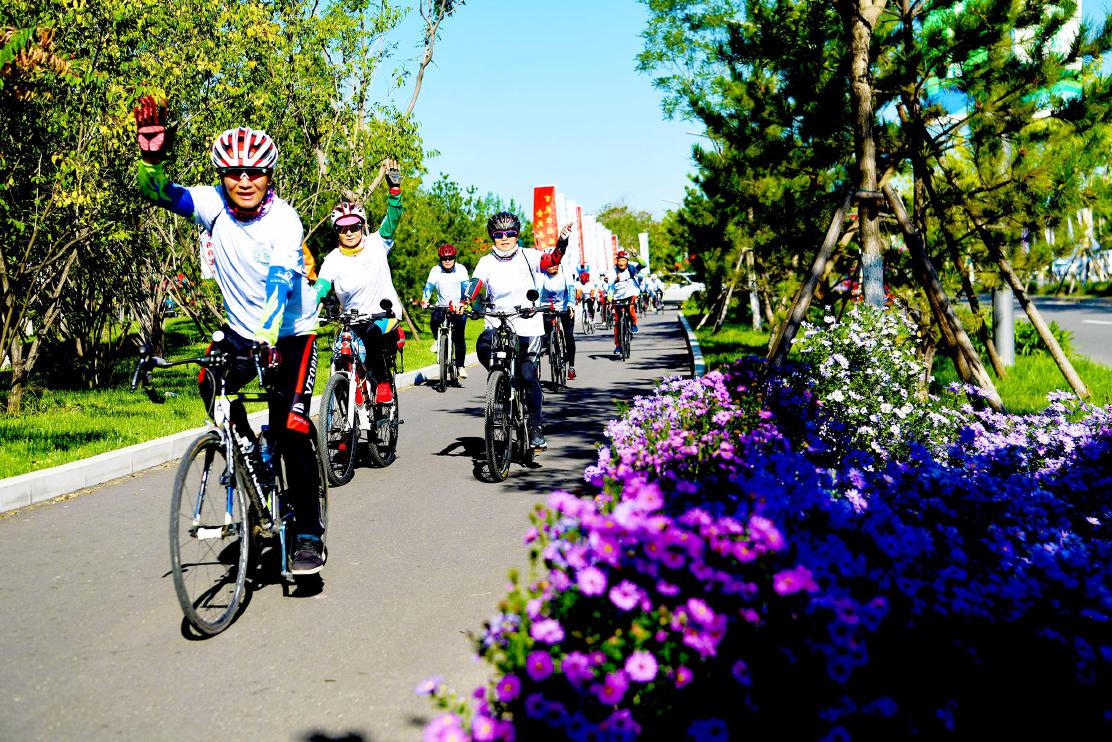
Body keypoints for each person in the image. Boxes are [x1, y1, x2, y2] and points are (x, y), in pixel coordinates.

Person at [133, 96, 326, 574]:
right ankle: (246, 453)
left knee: (294, 429)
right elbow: (159, 192)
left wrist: (266, 334)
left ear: (269, 176)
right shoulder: (212, 204)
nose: (244, 180)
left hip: (289, 332)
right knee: (206, 375)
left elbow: (281, 284)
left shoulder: (284, 221)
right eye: (234, 172)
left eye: (255, 172)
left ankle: (308, 535)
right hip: (243, 332)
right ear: (222, 174)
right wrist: (151, 153)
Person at [468, 213, 572, 451]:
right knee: (483, 346)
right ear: (492, 236)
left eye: (510, 234)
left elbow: (551, 260)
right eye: (498, 234)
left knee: (527, 376)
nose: (504, 239)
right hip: (497, 322)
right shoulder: (486, 261)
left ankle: (535, 427)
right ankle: (500, 386)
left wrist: (562, 243)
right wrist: (466, 299)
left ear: (517, 234)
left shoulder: (529, 256)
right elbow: (476, 283)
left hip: (527, 324)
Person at [313, 167, 405, 404]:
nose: (350, 232)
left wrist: (394, 191)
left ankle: (383, 382)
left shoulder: (377, 243)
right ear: (338, 232)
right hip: (353, 320)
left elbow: (393, 219)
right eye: (344, 229)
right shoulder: (332, 259)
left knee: (375, 334)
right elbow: (321, 287)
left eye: (354, 226)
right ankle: (350, 391)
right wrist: (308, 307)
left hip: (383, 315)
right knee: (340, 351)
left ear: (361, 226)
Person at [421, 243, 470, 380]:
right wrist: (425, 300)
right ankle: (438, 340)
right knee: (434, 320)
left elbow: (466, 288)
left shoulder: (461, 269)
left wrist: (464, 302)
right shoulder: (435, 270)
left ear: (454, 258)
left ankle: (460, 366)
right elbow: (429, 287)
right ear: (440, 259)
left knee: (459, 336)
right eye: (444, 258)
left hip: (458, 306)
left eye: (450, 258)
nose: (447, 261)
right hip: (441, 306)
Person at [540, 260, 577, 380]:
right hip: (547, 306)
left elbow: (571, 288)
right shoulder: (541, 272)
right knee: (545, 334)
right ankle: (549, 349)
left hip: (565, 306)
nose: (553, 267)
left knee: (569, 336)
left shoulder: (565, 269)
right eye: (549, 266)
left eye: (555, 264)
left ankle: (571, 366)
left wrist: (571, 305)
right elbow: (536, 289)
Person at [607, 249, 643, 355]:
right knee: (618, 321)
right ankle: (618, 345)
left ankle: (634, 324)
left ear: (627, 261)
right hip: (617, 297)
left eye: (623, 260)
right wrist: (610, 300)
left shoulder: (631, 268)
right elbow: (610, 288)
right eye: (619, 260)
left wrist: (636, 255)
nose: (621, 263)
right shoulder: (613, 271)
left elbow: (643, 264)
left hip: (630, 294)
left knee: (630, 308)